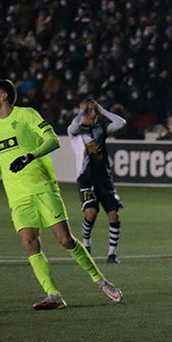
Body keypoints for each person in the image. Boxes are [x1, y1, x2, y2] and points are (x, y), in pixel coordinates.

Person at [0, 79, 122, 310]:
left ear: (3, 97)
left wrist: (30, 156)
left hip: (42, 186)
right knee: (30, 244)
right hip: (17, 195)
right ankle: (53, 295)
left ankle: (100, 281)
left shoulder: (26, 115)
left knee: (65, 240)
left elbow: (52, 140)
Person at [68, 98, 127, 264]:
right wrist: (82, 111)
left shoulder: (101, 129)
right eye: (89, 111)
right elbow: (73, 126)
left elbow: (121, 122)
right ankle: (86, 242)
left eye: (94, 111)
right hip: (86, 178)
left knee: (114, 215)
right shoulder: (76, 132)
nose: (92, 114)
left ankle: (112, 254)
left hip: (104, 178)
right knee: (91, 212)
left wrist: (103, 111)